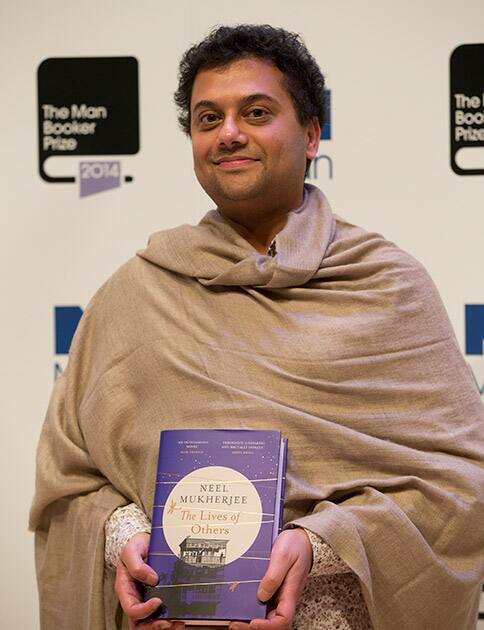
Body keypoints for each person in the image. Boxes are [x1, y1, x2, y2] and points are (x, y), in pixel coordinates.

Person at [30, 24, 484, 630]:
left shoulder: (387, 287)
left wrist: (322, 543)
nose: (229, 134)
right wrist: (124, 541)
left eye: (257, 112)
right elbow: (71, 479)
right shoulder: (133, 296)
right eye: (207, 118)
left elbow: (462, 487)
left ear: (312, 134)